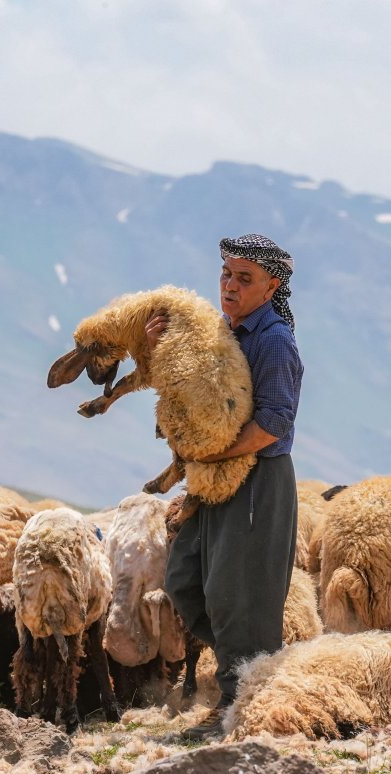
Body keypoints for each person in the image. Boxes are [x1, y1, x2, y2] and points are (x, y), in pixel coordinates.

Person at [147, 234, 304, 742]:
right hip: (213, 480)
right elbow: (191, 387)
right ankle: (256, 676)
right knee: (186, 580)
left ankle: (241, 705)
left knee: (240, 596)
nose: (230, 287)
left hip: (258, 479)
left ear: (271, 286)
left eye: (245, 278)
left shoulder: (273, 340)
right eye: (226, 275)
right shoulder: (222, 332)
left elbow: (275, 422)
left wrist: (215, 453)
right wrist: (157, 345)